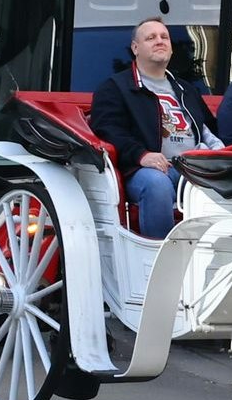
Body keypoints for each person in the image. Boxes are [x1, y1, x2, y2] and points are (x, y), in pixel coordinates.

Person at [89, 18, 223, 236]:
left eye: (164, 37)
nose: (159, 41)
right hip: (141, 170)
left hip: (191, 167)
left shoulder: (186, 89)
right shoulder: (116, 88)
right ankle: (158, 259)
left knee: (227, 181)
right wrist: (141, 155)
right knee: (157, 185)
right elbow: (107, 130)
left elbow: (208, 129)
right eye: (150, 38)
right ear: (135, 48)